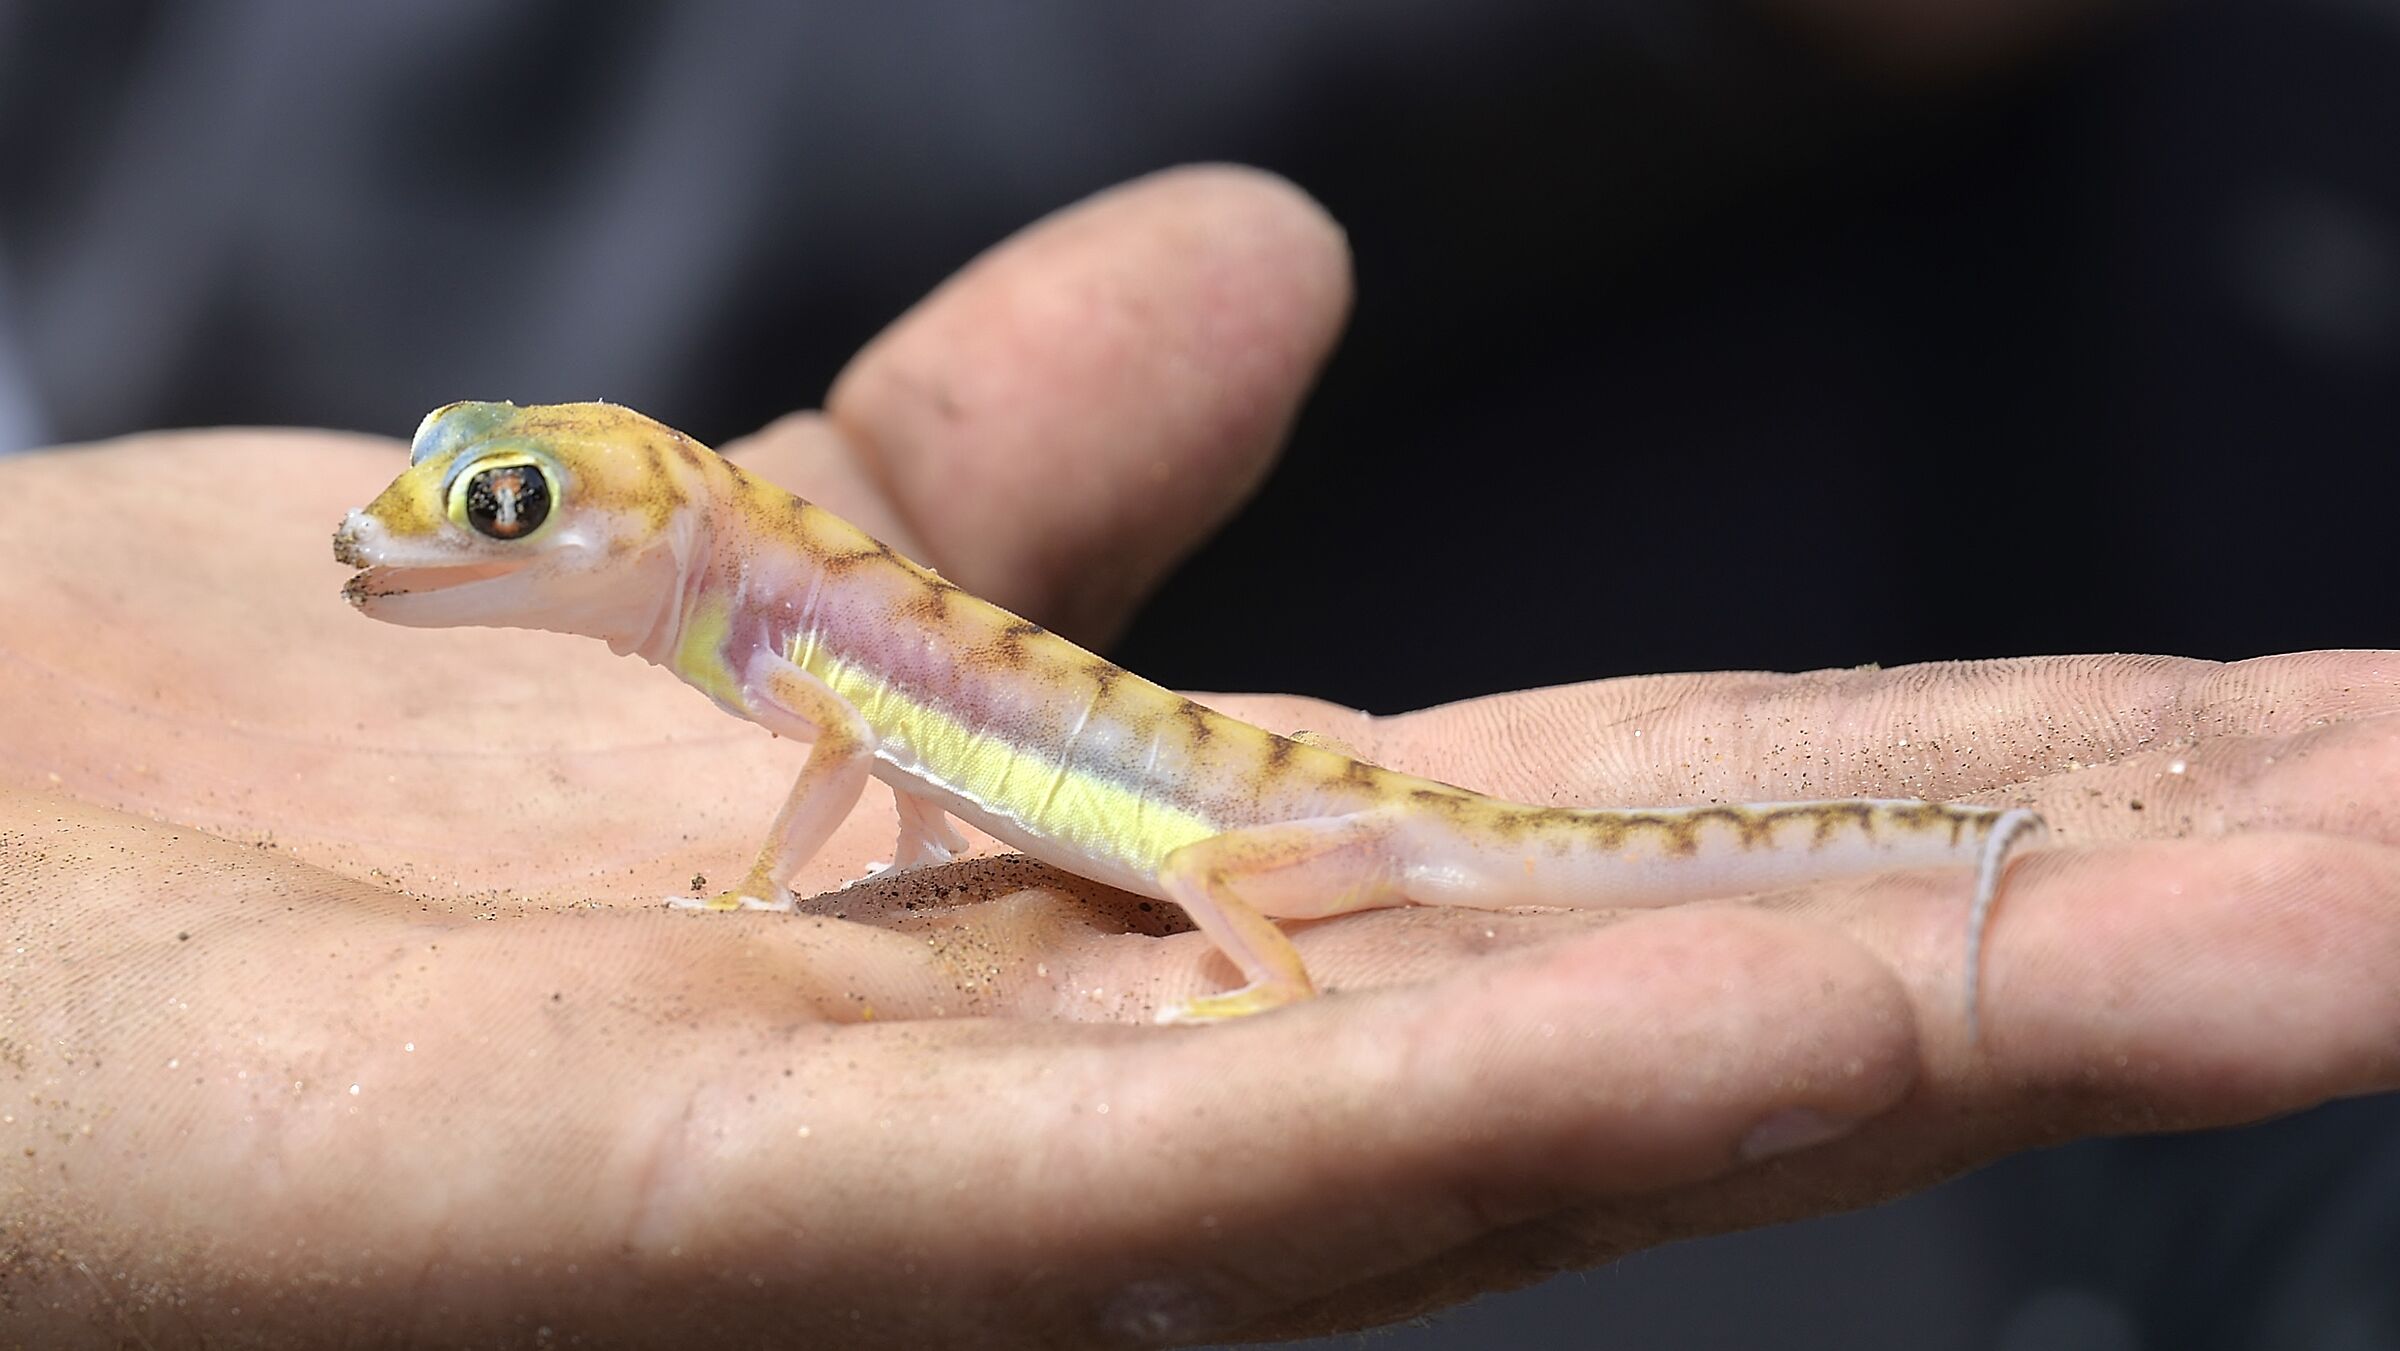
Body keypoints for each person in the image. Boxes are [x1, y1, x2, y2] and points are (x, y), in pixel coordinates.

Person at [0, 167, 2393, 1348]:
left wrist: (794, 893)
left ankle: (1923, 845)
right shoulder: (748, 610)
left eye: (492, 508)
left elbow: (849, 769)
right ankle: (1905, 851)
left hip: (1272, 814)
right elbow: (879, 764)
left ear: (633, 526)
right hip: (1280, 768)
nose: (429, 540)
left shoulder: (771, 644)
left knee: (1315, 873)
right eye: (463, 492)